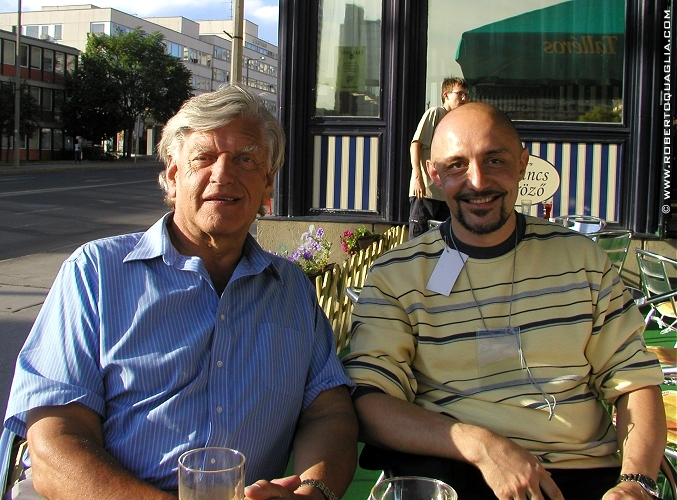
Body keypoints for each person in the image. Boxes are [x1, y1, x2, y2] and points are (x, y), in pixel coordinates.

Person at [3, 85, 358, 500]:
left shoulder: (292, 289)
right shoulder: (95, 274)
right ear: (173, 177)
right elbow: (53, 443)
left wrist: (313, 491)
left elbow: (329, 411)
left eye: (246, 159)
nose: (223, 174)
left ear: (267, 184)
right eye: (203, 158)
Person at [343, 102, 666, 500]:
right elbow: (368, 401)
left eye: (494, 160)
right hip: (457, 470)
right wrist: (482, 446)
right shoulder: (398, 275)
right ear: (434, 175)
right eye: (457, 165)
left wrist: (637, 482)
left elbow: (635, 381)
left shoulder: (582, 260)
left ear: (522, 164)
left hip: (581, 475)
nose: (478, 181)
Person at [408, 77, 468, 239]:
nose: (464, 98)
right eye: (460, 93)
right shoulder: (435, 113)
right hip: (426, 193)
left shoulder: (457, 121)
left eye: (466, 95)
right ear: (446, 95)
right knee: (420, 242)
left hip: (446, 194)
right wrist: (418, 177)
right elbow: (415, 145)